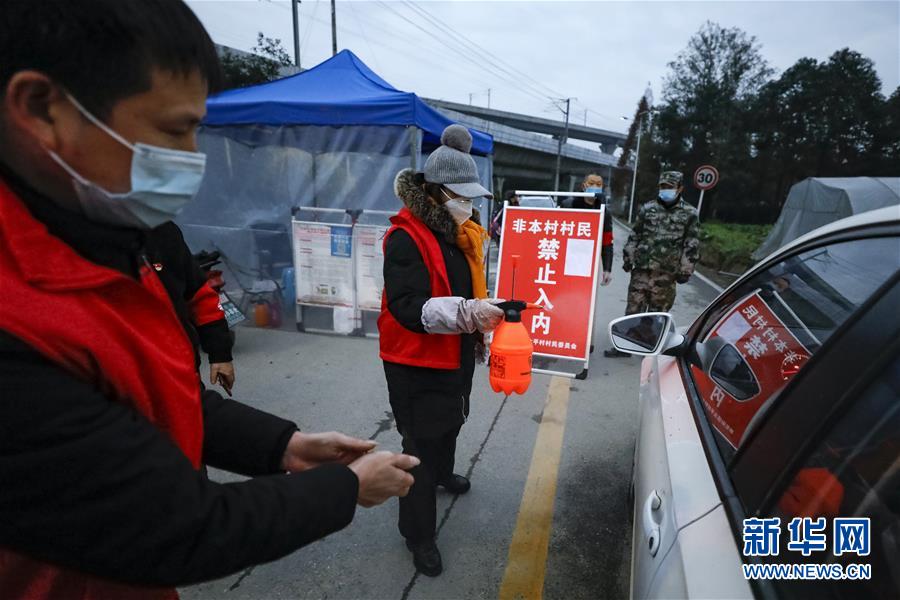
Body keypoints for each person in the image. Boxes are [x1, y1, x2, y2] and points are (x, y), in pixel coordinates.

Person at [0, 1, 419, 597]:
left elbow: (155, 397)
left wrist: (282, 446)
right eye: (174, 130)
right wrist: (346, 488)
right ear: (42, 108)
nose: (193, 157)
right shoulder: (18, 315)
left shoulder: (102, 237)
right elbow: (172, 528)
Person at [379, 125, 504, 577]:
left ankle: (445, 474)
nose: (468, 203)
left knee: (452, 419)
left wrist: (481, 316)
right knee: (419, 445)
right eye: (460, 194)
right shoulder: (405, 237)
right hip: (415, 358)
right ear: (434, 190)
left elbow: (465, 290)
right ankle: (418, 535)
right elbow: (408, 307)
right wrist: (469, 313)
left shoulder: (460, 232)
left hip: (453, 351)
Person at [605, 170, 700, 357]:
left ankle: (650, 348)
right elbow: (635, 235)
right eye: (662, 187)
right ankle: (625, 346)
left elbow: (692, 243)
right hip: (642, 270)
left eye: (670, 187)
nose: (665, 190)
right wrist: (628, 257)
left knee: (658, 314)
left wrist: (685, 270)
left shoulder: (689, 214)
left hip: (666, 273)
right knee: (633, 309)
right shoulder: (648, 209)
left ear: (680, 188)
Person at [572, 173, 614, 286]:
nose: (595, 186)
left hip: (589, 264)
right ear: (583, 186)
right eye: (591, 183)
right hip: (568, 259)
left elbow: (607, 242)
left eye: (598, 184)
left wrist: (607, 269)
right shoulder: (569, 206)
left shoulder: (604, 213)